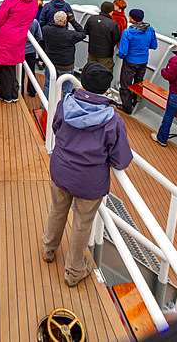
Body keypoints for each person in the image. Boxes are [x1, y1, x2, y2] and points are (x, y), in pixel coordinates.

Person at [41, 63, 132, 287]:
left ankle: (48, 249)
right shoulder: (113, 121)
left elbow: (56, 127)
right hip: (89, 182)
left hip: (61, 170)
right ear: (105, 90)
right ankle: (73, 272)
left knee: (57, 209)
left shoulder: (65, 104)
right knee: (82, 224)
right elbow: (121, 159)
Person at [0, 0, 38, 102]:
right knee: (12, 66)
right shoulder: (33, 3)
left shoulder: (11, 0)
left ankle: (6, 96)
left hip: (5, 37)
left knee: (5, 67)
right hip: (20, 38)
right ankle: (14, 93)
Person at [117, 9, 160, 114]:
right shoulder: (150, 29)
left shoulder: (128, 32)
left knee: (125, 84)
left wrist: (123, 56)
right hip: (143, 61)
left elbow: (123, 52)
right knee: (138, 83)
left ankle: (127, 107)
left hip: (130, 62)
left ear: (132, 18)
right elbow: (154, 45)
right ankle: (135, 101)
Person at [41, 11, 87, 101]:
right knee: (67, 89)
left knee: (48, 85)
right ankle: (66, 108)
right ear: (65, 22)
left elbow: (49, 25)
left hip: (51, 64)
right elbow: (82, 34)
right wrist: (73, 21)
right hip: (66, 66)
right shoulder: (70, 35)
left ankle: (44, 107)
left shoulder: (46, 29)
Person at [83, 1, 121, 73]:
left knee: (91, 71)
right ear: (111, 11)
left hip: (92, 51)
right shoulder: (112, 24)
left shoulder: (92, 19)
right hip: (106, 54)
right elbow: (116, 39)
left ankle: (89, 84)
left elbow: (86, 31)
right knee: (105, 74)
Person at [23, 16, 43, 98]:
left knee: (20, 72)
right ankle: (32, 91)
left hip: (21, 50)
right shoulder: (34, 22)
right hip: (31, 50)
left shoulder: (19, 21)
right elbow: (39, 36)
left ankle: (20, 93)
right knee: (31, 71)